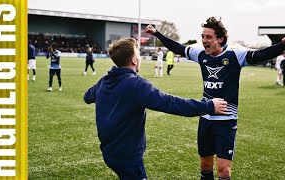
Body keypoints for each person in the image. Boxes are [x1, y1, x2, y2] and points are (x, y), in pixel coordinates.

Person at [145, 17, 285, 180]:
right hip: (206, 118)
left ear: (221, 39)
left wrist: (282, 46)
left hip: (226, 120)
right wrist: (157, 34)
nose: (204, 40)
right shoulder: (200, 54)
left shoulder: (235, 56)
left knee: (224, 171)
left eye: (208, 37)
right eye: (203, 36)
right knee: (205, 166)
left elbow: (260, 55)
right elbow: (177, 48)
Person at [84, 37, 228, 179]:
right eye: (138, 53)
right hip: (127, 157)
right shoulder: (137, 85)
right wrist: (209, 106)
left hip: (109, 153)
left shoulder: (104, 81)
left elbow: (87, 96)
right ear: (134, 60)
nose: (139, 57)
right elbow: (171, 103)